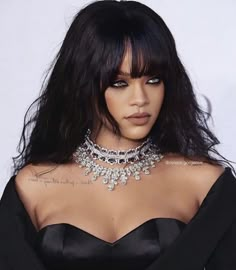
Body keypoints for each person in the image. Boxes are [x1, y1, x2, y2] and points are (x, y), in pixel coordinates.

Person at [0, 0, 236, 269]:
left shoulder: (206, 185)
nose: (140, 99)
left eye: (153, 80)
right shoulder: (31, 188)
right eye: (119, 83)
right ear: (82, 84)